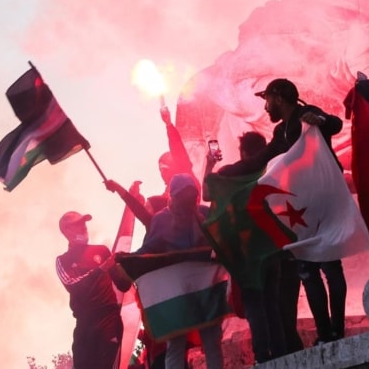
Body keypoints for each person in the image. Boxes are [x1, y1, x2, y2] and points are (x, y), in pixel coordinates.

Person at [220, 78, 345, 351]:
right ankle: (325, 333)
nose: (265, 108)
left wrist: (320, 120)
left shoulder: (306, 114)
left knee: (331, 266)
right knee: (309, 269)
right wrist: (226, 172)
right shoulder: (280, 132)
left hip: (324, 198)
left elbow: (336, 124)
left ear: (278, 97)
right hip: (300, 208)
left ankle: (338, 328)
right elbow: (259, 159)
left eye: (266, 100)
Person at [204, 131, 291, 363]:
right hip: (272, 248)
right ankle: (281, 355)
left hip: (246, 252)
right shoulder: (272, 168)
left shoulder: (231, 173)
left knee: (254, 303)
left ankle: (262, 356)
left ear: (242, 151)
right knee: (272, 302)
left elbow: (206, 192)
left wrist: (209, 164)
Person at [123, 175, 224, 369]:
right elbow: (148, 249)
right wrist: (128, 260)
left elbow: (220, 238)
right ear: (174, 196)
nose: (188, 199)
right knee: (176, 344)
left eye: (191, 194)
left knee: (211, 341)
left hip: (204, 288)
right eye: (183, 194)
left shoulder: (204, 213)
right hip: (176, 292)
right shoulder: (162, 219)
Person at [105, 105, 195, 227]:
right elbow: (142, 213)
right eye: (160, 170)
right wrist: (134, 197)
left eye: (165, 169)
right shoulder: (158, 222)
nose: (162, 174)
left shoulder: (186, 185)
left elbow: (178, 151)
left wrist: (169, 125)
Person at [55, 211, 122, 369]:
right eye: (78, 224)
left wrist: (127, 264)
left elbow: (123, 284)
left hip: (109, 318)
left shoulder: (102, 251)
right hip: (85, 324)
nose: (84, 227)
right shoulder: (62, 260)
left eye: (84, 223)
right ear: (67, 230)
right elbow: (73, 285)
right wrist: (100, 270)